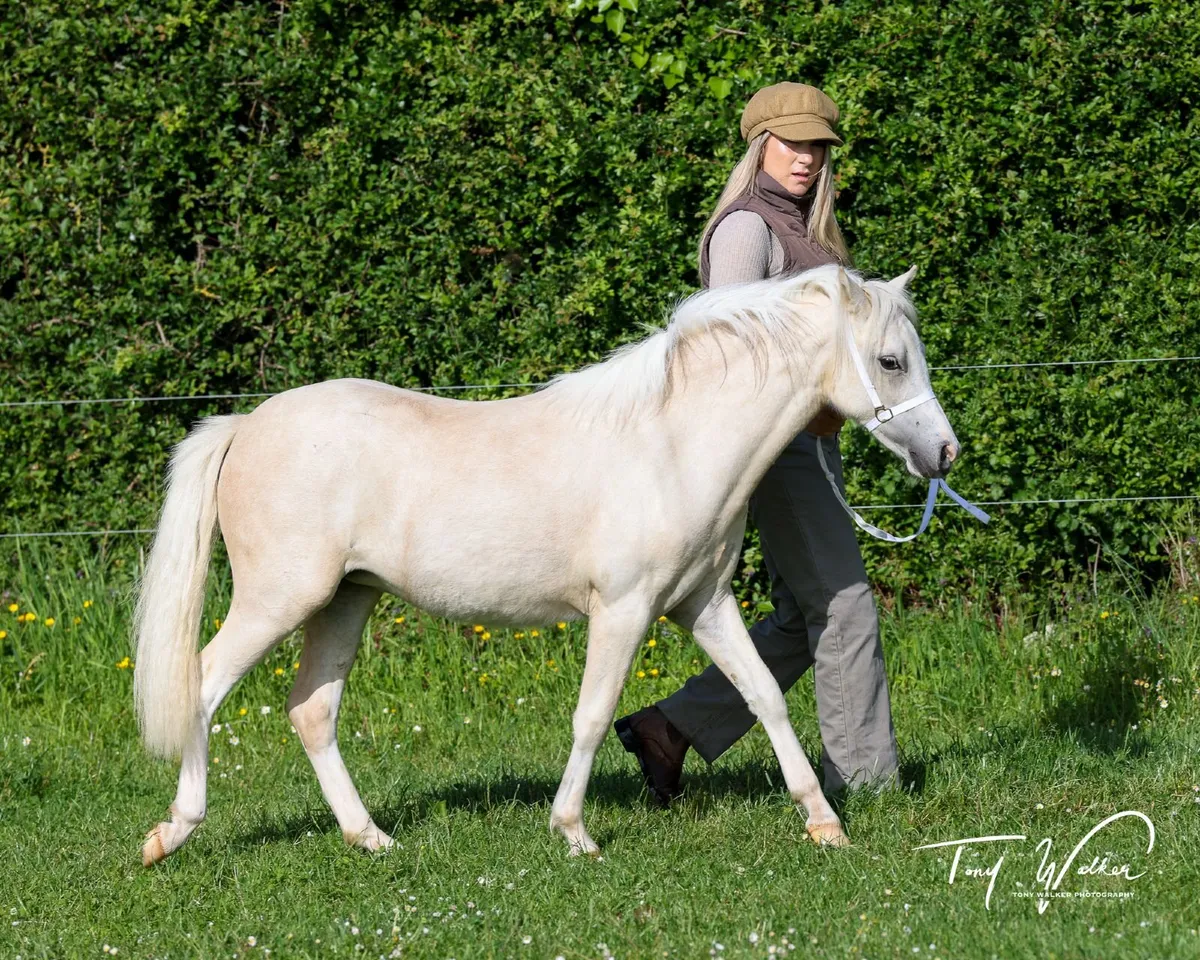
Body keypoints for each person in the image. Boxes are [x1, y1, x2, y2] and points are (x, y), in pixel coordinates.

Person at [614, 81, 901, 806]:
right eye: (791, 142)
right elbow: (732, 364)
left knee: (803, 620)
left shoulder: (805, 227)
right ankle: (865, 783)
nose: (805, 158)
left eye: (817, 145)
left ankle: (669, 729)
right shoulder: (748, 229)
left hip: (806, 444)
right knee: (844, 606)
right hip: (778, 455)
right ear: (760, 146)